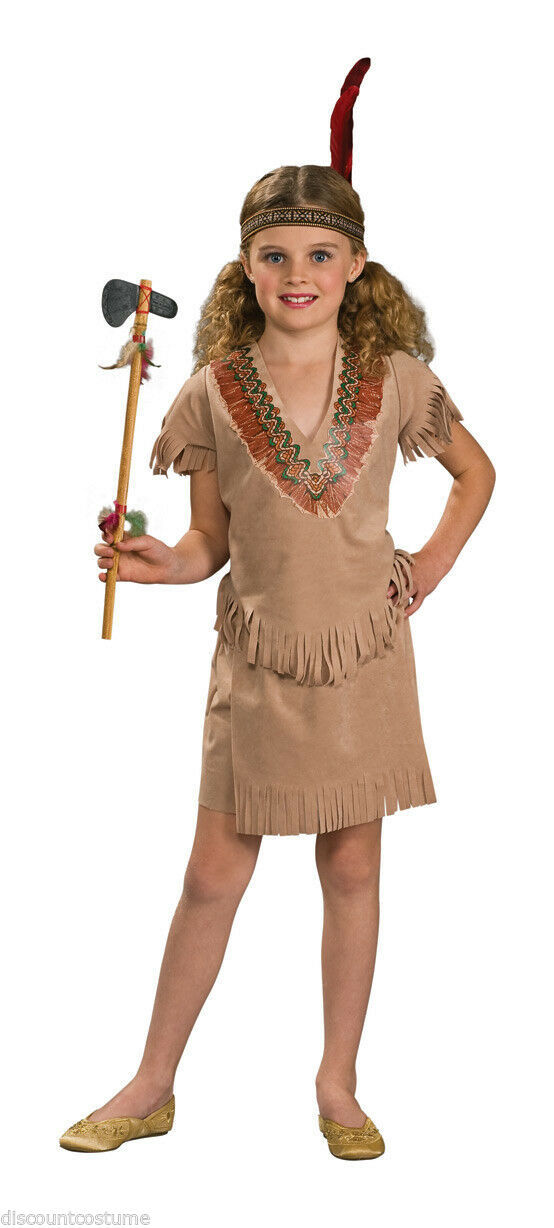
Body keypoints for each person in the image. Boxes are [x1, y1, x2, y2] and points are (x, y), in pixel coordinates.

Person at [60, 60, 495, 1159]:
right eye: (274, 256)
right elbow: (210, 540)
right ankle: (151, 1081)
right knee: (213, 872)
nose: (297, 274)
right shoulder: (213, 389)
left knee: (351, 867)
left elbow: (475, 474)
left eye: (318, 255)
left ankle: (337, 1083)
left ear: (355, 267)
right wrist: (163, 564)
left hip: (362, 661)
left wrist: (425, 569)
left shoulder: (395, 375)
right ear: (244, 267)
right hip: (257, 667)